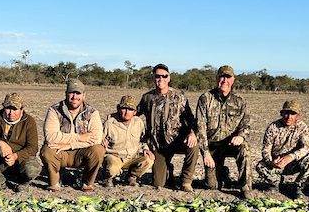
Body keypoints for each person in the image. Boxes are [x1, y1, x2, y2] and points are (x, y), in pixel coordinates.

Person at [136, 63, 199, 192]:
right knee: (158, 183)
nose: (161, 79)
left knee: (194, 145)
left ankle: (186, 181)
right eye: (158, 76)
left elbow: (191, 119)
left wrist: (192, 133)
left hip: (177, 140)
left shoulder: (179, 97)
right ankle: (167, 170)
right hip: (158, 144)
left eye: (164, 76)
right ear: (154, 78)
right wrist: (114, 116)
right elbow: (133, 114)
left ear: (169, 78)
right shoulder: (147, 98)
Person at [195, 65, 254, 198]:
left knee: (245, 148)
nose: (224, 80)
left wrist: (241, 136)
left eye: (228, 77)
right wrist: (206, 153)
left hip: (231, 144)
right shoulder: (206, 98)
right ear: (217, 78)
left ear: (233, 80)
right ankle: (222, 173)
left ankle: (245, 187)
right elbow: (200, 128)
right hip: (213, 146)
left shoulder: (240, 101)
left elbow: (246, 123)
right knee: (212, 186)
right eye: (222, 76)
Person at [40, 79, 104, 192]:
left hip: (81, 153)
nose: (74, 97)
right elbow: (51, 137)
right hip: (60, 152)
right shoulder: (54, 110)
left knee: (98, 150)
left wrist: (70, 144)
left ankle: (87, 182)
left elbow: (97, 139)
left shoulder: (92, 112)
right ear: (66, 94)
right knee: (47, 150)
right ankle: (55, 182)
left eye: (78, 93)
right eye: (71, 92)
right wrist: (79, 137)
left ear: (84, 95)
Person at [0, 93, 42, 194]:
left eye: (14, 109)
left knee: (33, 168)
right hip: (1, 160)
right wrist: (0, 143)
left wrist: (15, 156)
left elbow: (33, 148)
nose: (11, 113)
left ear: (21, 109)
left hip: (20, 161)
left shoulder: (29, 121)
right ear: (3, 107)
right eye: (8, 108)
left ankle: (23, 183)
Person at [256, 100, 309, 198]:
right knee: (260, 166)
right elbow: (266, 149)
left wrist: (291, 156)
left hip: (294, 163)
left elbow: (306, 147)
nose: (289, 117)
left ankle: (298, 187)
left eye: (293, 113)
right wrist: (271, 162)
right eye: (286, 113)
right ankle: (275, 184)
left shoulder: (302, 127)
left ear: (298, 116)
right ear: (281, 113)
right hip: (277, 164)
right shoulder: (273, 127)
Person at [101, 95, 153, 186]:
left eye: (130, 109)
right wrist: (101, 140)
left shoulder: (138, 122)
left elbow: (143, 139)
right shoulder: (110, 123)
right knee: (112, 168)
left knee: (149, 160)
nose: (126, 112)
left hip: (132, 156)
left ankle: (132, 177)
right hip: (115, 156)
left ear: (135, 112)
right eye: (124, 108)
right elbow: (100, 138)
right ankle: (107, 178)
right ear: (118, 108)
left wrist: (146, 148)